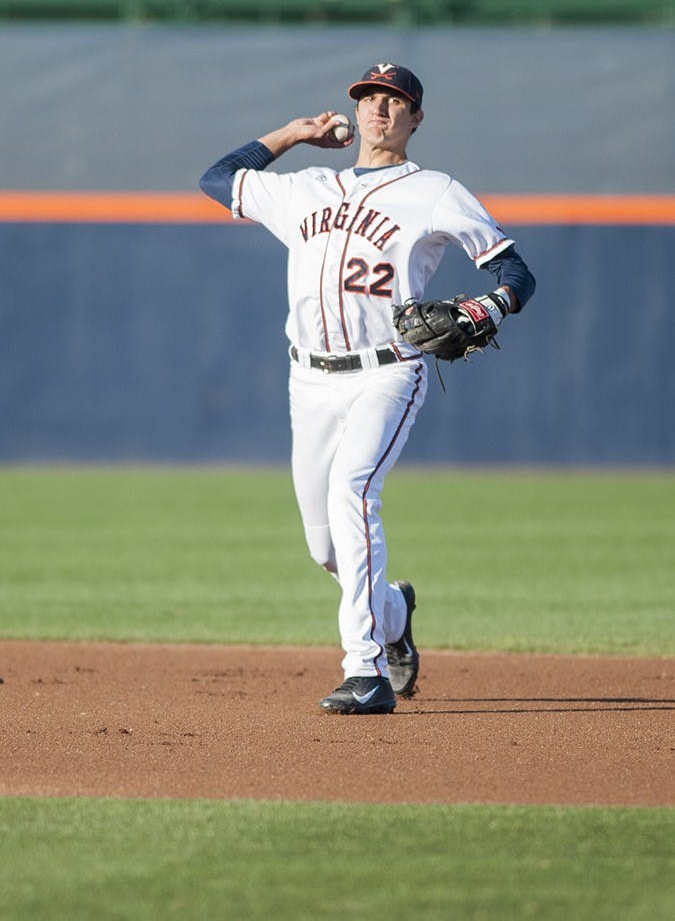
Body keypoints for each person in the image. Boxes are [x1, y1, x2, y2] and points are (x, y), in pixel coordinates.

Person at [200, 62, 536, 715]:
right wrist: (292, 133)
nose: (380, 108)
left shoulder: (434, 191)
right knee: (324, 547)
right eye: (369, 98)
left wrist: (488, 308)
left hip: (389, 370)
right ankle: (393, 613)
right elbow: (216, 180)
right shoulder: (306, 188)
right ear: (355, 111)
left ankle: (366, 670)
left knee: (353, 491)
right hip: (309, 379)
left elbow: (515, 271)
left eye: (394, 100)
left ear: (416, 117)